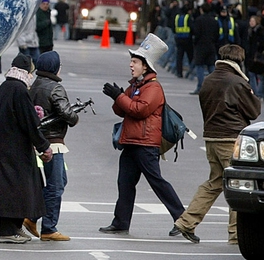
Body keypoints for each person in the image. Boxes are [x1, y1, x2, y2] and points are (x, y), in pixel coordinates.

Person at [173, 44, 260, 244]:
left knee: (214, 182)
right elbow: (254, 111)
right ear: (239, 61)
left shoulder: (208, 80)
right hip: (231, 139)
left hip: (211, 138)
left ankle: (186, 222)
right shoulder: (237, 82)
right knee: (238, 185)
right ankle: (236, 234)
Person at [99, 33, 185, 235]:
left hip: (146, 144)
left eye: (135, 62)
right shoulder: (136, 85)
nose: (131, 65)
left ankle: (183, 219)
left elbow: (140, 110)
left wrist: (120, 96)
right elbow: (122, 110)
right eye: (131, 61)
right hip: (131, 141)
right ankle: (121, 221)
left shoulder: (153, 87)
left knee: (157, 183)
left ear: (145, 66)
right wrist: (119, 96)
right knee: (125, 183)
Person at [0, 54, 52, 244]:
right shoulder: (19, 90)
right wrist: (43, 146)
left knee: (14, 187)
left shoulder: (4, 87)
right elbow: (30, 122)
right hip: (15, 148)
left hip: (4, 145)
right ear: (26, 72)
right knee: (17, 189)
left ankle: (15, 227)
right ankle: (8, 231)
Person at [26, 51, 78, 241]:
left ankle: (32, 217)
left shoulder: (33, 85)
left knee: (59, 181)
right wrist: (75, 115)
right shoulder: (55, 88)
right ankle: (48, 228)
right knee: (55, 185)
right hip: (53, 143)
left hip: (38, 141)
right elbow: (68, 115)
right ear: (54, 67)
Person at [191, 2, 218, 94]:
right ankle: (213, 87)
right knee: (211, 66)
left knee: (199, 66)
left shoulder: (199, 20)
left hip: (200, 45)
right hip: (211, 45)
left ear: (201, 10)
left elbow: (196, 33)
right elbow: (217, 34)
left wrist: (195, 42)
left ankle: (200, 87)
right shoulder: (214, 21)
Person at [245, 15, 264, 98]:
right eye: (250, 21)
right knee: (251, 74)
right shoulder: (249, 31)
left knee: (259, 75)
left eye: (253, 21)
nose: (251, 23)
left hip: (258, 56)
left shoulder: (260, 31)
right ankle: (256, 93)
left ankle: (258, 93)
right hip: (251, 56)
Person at [173, 3, 193, 79]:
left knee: (179, 57)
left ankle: (179, 72)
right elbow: (191, 27)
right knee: (190, 56)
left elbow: (173, 27)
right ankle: (190, 73)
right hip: (187, 39)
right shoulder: (188, 17)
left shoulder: (177, 17)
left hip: (178, 38)